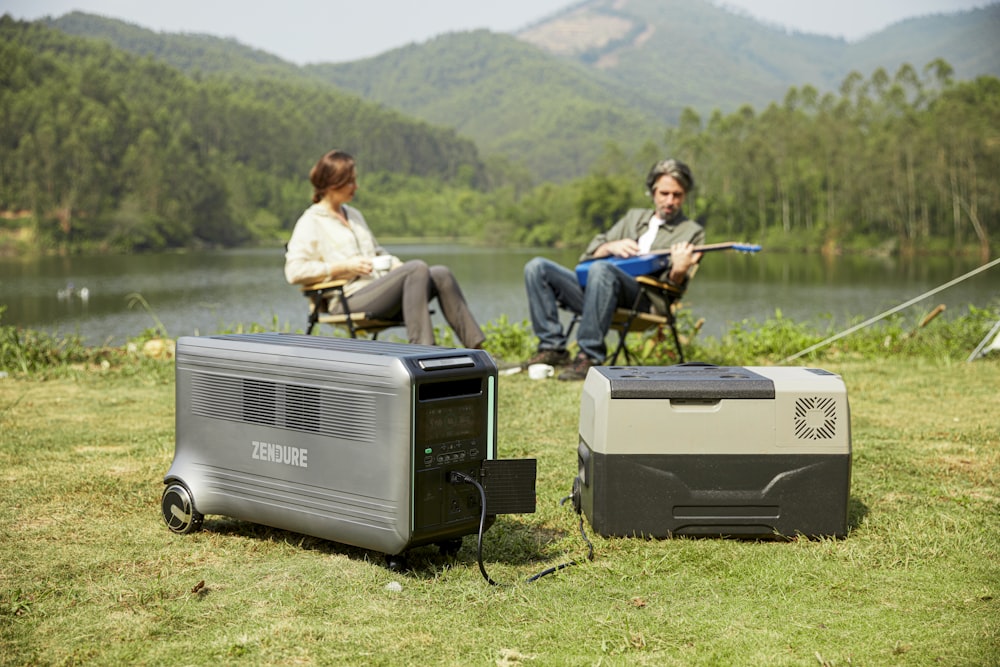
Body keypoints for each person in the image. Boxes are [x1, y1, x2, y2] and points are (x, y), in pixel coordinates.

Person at [521, 158, 705, 380]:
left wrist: (679, 268)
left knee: (602, 269)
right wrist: (610, 246)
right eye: (664, 193)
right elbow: (588, 254)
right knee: (537, 267)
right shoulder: (633, 218)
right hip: (598, 293)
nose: (670, 200)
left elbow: (673, 289)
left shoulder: (691, 232)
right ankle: (553, 349)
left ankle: (589, 356)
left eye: (677, 195)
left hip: (643, 301)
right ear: (653, 192)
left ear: (684, 196)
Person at [284, 150, 486, 349]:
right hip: (348, 299)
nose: (356, 186)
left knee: (441, 274)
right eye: (350, 182)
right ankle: (423, 352)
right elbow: (294, 272)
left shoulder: (354, 215)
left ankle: (479, 351)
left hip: (380, 289)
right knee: (417, 267)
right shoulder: (311, 221)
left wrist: (399, 267)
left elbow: (378, 252)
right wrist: (345, 267)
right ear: (332, 182)